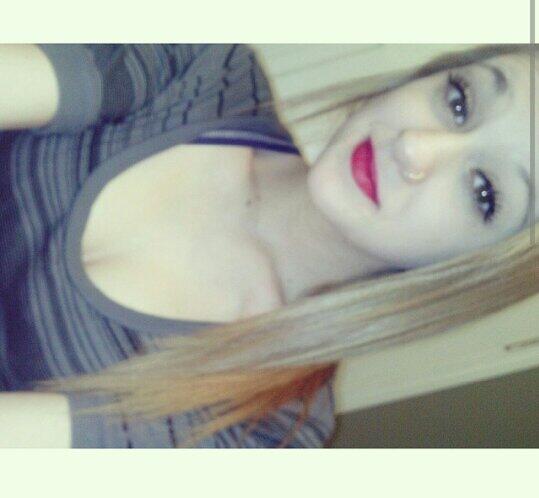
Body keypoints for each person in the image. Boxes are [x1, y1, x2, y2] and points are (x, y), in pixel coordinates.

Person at [0, 44, 536, 448]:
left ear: (475, 269)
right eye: (460, 101)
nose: (416, 147)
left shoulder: (268, 428)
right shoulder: (206, 66)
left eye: (483, 192)